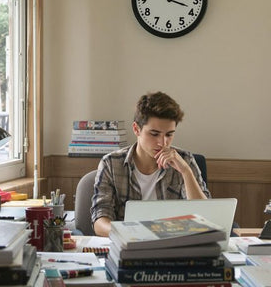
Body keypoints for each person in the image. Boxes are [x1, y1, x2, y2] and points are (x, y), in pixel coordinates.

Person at [90, 91, 211, 237]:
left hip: (174, 246)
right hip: (128, 244)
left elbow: (205, 219)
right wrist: (132, 232)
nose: (162, 143)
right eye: (154, 134)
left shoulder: (185, 160)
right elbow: (100, 221)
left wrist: (186, 172)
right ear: (136, 129)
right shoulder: (111, 163)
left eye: (169, 134)